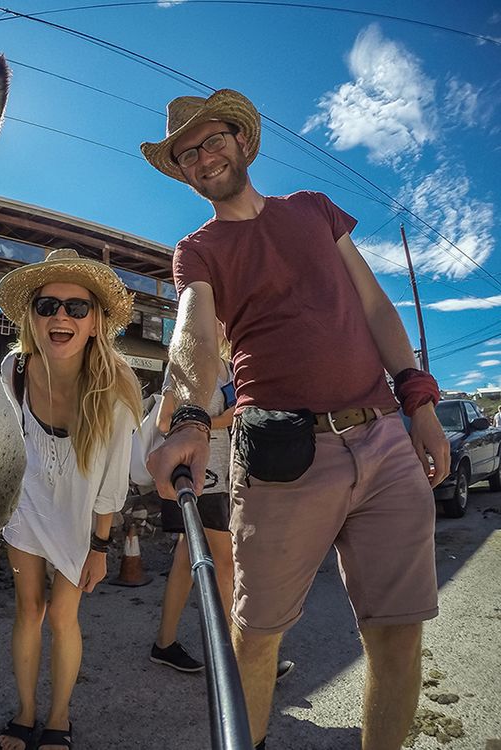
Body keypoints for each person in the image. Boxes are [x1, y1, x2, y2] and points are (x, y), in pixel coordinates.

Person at [140, 89, 449, 750]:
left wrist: (418, 399)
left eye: (211, 140)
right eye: (186, 153)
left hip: (385, 439)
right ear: (184, 173)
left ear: (242, 142)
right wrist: (191, 418)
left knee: (397, 636)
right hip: (282, 457)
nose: (202, 157)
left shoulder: (312, 210)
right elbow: (194, 332)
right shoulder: (197, 250)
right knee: (254, 640)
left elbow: (373, 306)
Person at [0, 248, 142, 750]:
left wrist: (102, 547)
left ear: (97, 321)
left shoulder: (116, 384)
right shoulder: (13, 367)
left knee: (63, 617)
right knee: (28, 610)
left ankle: (59, 718)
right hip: (26, 509)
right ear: (31, 318)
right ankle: (25, 711)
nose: (61, 315)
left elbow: (112, 482)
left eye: (77, 308)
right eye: (48, 305)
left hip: (81, 520)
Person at [150, 323, 294, 681]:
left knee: (186, 560)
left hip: (224, 478)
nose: (217, 322)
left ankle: (164, 645)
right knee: (226, 563)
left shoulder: (230, 366)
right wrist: (217, 421)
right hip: (199, 477)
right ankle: (239, 656)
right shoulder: (182, 363)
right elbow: (163, 421)